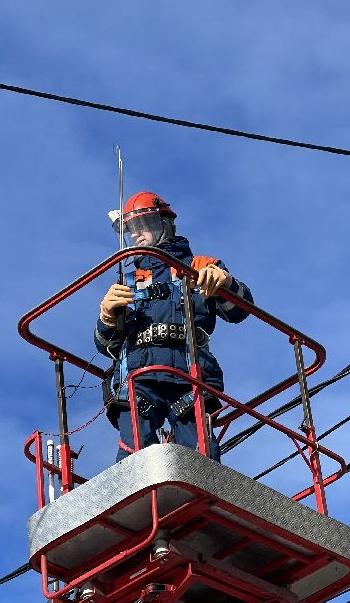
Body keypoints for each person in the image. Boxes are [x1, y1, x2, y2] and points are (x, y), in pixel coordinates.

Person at [95, 191, 253, 462]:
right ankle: (142, 498)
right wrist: (107, 317)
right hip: (139, 372)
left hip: (190, 371)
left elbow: (241, 310)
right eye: (131, 230)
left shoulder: (200, 267)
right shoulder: (128, 282)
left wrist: (224, 284)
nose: (136, 236)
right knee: (135, 450)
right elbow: (106, 346)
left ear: (164, 224)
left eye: (143, 227)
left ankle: (202, 496)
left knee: (201, 454)